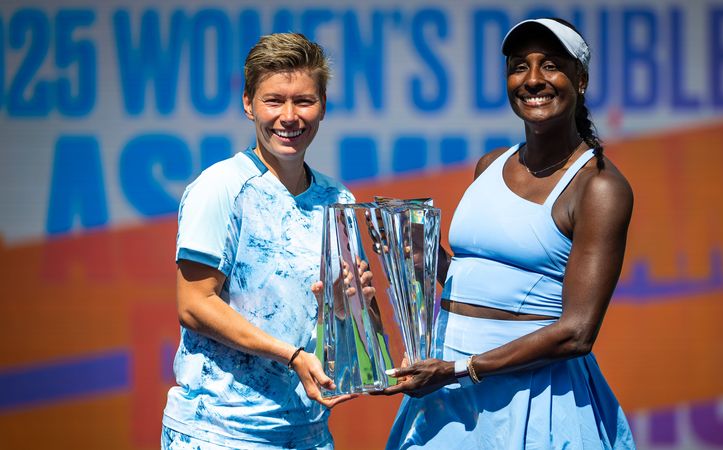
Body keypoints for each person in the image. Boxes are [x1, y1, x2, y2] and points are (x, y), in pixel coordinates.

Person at [380, 18, 636, 449]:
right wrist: (429, 259)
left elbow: (577, 333)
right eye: (520, 66)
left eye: (550, 65)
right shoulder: (490, 164)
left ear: (581, 80)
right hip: (446, 399)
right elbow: (484, 286)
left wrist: (460, 370)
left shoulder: (600, 187)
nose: (533, 79)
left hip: (532, 400)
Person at [161, 33, 364, 449]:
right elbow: (194, 305)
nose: (289, 116)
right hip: (218, 433)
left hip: (308, 435)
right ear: (248, 103)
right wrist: (291, 355)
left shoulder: (339, 200)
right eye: (274, 101)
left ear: (323, 105)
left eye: (303, 101)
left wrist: (345, 308)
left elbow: (339, 332)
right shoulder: (220, 188)